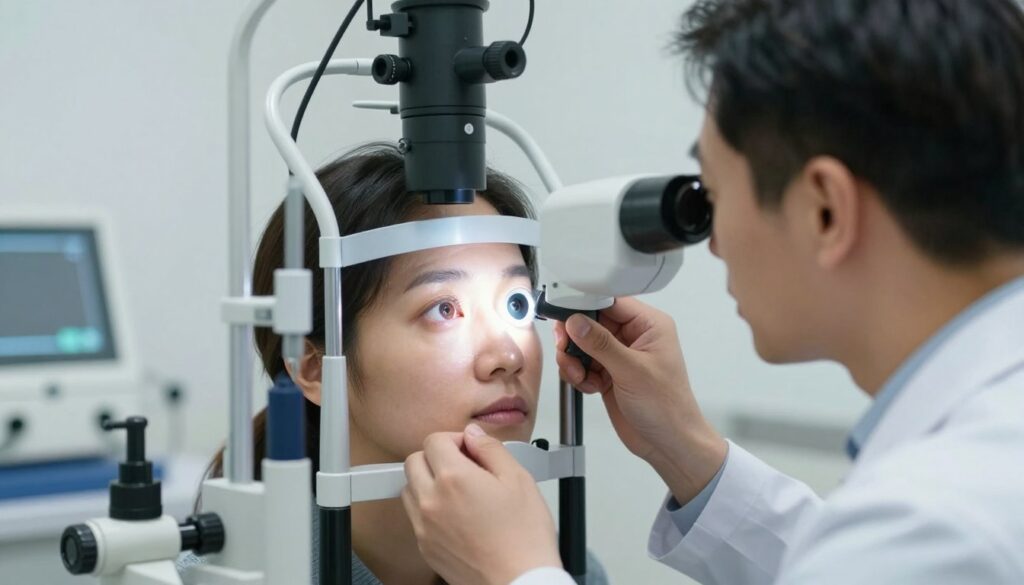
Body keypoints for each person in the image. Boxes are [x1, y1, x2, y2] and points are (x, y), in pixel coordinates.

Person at [399, 0, 1024, 584]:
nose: (714, 243)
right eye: (443, 308)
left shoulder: (941, 525)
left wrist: (519, 572)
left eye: (716, 199)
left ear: (825, 211)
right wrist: (688, 449)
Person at [180, 144, 607, 584]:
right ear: (313, 367)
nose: (507, 357)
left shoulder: (554, 566)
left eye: (516, 305)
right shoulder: (222, 578)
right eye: (444, 309)